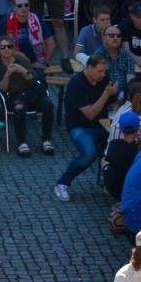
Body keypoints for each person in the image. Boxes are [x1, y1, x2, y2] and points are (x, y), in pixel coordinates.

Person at [53, 52, 115, 201]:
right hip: (80, 126)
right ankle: (63, 183)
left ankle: (111, 183)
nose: (103, 74)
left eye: (104, 71)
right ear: (89, 68)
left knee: (118, 148)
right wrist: (106, 95)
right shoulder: (76, 84)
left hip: (102, 125)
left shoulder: (104, 79)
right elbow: (90, 114)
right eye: (100, 71)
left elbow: (112, 104)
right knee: (89, 153)